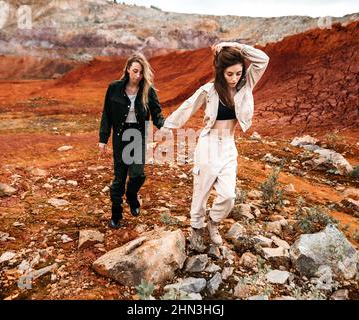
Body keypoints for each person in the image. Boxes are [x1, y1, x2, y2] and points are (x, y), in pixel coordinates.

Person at [162, 42, 270, 252]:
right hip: (208, 144)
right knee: (201, 191)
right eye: (229, 74)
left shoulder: (246, 85)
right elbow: (188, 106)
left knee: (229, 195)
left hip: (229, 144)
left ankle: (213, 222)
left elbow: (263, 59)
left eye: (238, 73)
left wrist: (233, 46)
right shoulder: (209, 90)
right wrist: (168, 128)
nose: (234, 78)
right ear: (220, 72)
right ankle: (196, 230)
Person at [99, 52, 165, 229]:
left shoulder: (147, 91)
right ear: (128, 69)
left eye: (141, 73)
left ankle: (132, 195)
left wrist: (163, 125)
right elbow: (107, 114)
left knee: (137, 174)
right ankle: (116, 213)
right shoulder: (114, 88)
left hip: (138, 136)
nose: (138, 76)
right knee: (119, 178)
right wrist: (103, 139)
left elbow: (157, 112)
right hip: (120, 138)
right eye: (135, 71)